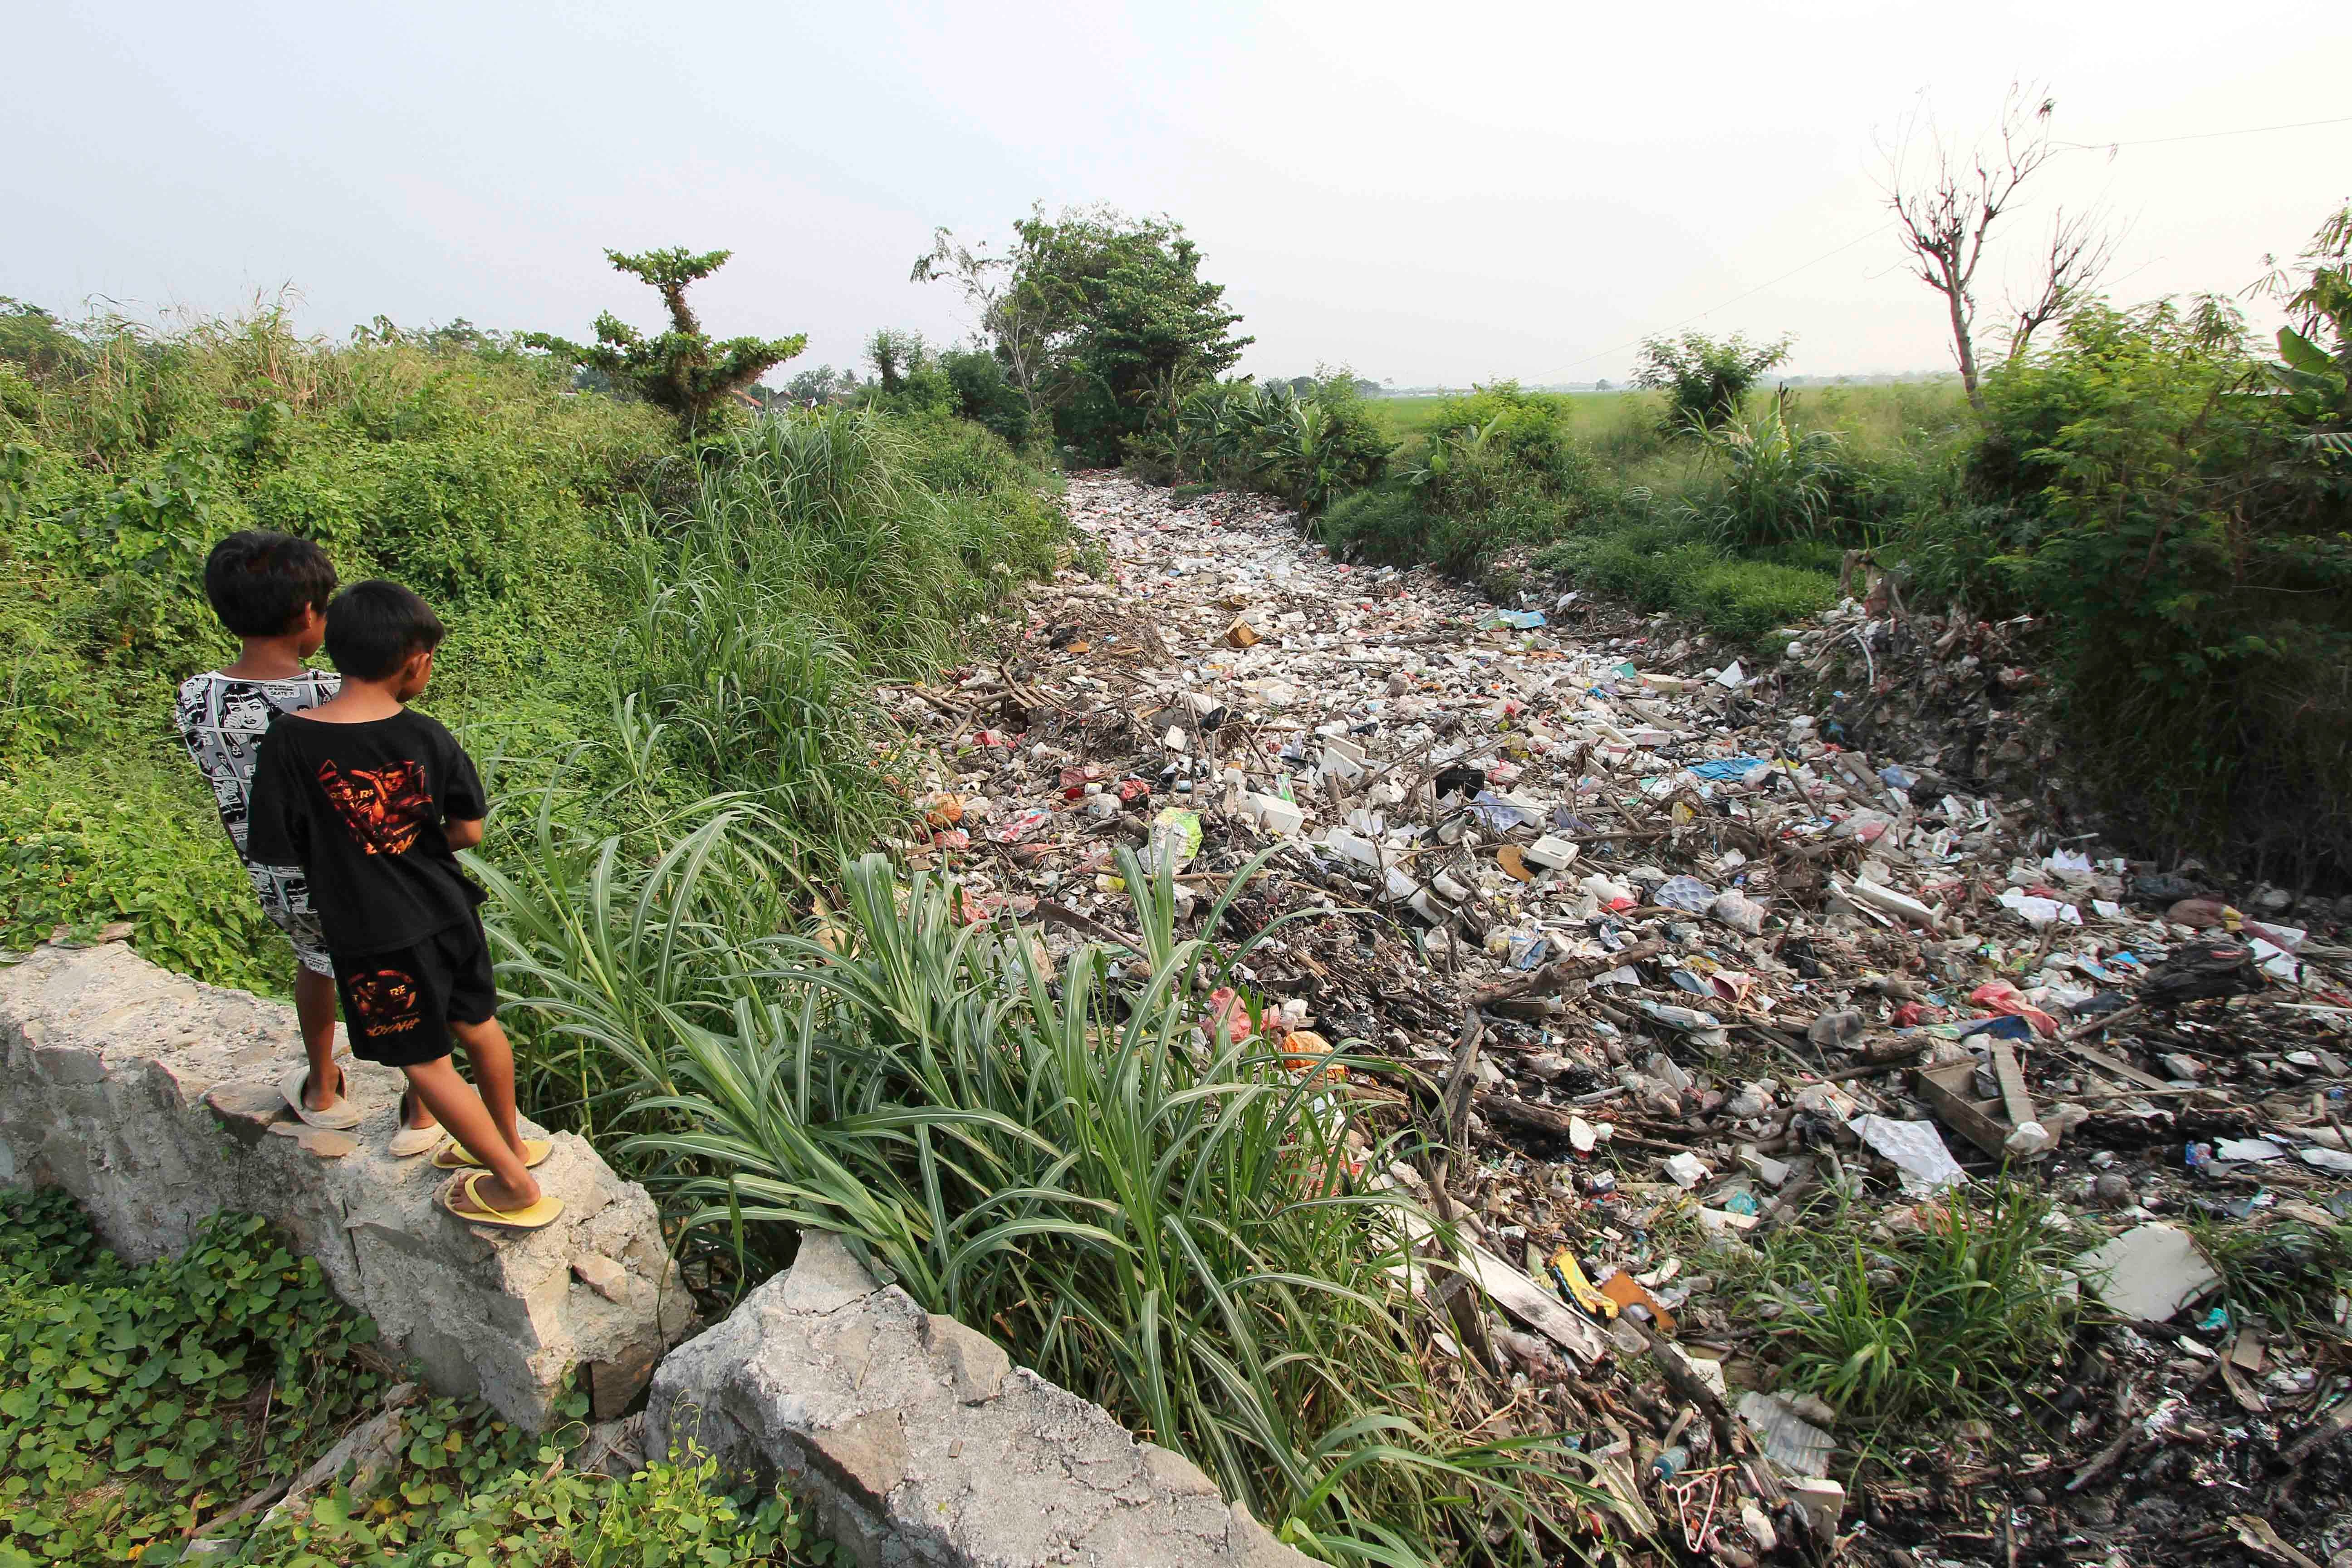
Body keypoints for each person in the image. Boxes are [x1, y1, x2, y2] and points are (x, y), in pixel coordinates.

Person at [245, 578, 562, 1230]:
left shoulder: (290, 741)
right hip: (450, 907)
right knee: (479, 1025)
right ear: (416, 660)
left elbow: (277, 846)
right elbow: (468, 831)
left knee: (424, 1059)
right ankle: (514, 1150)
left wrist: (352, 851)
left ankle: (510, 1185)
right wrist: (413, 844)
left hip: (372, 927)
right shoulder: (429, 735)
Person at [176, 531, 356, 1132]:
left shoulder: (198, 697)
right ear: (308, 614)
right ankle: (421, 1104)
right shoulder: (332, 693)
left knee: (316, 959)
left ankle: (324, 1087)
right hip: (352, 878)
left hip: (278, 884)